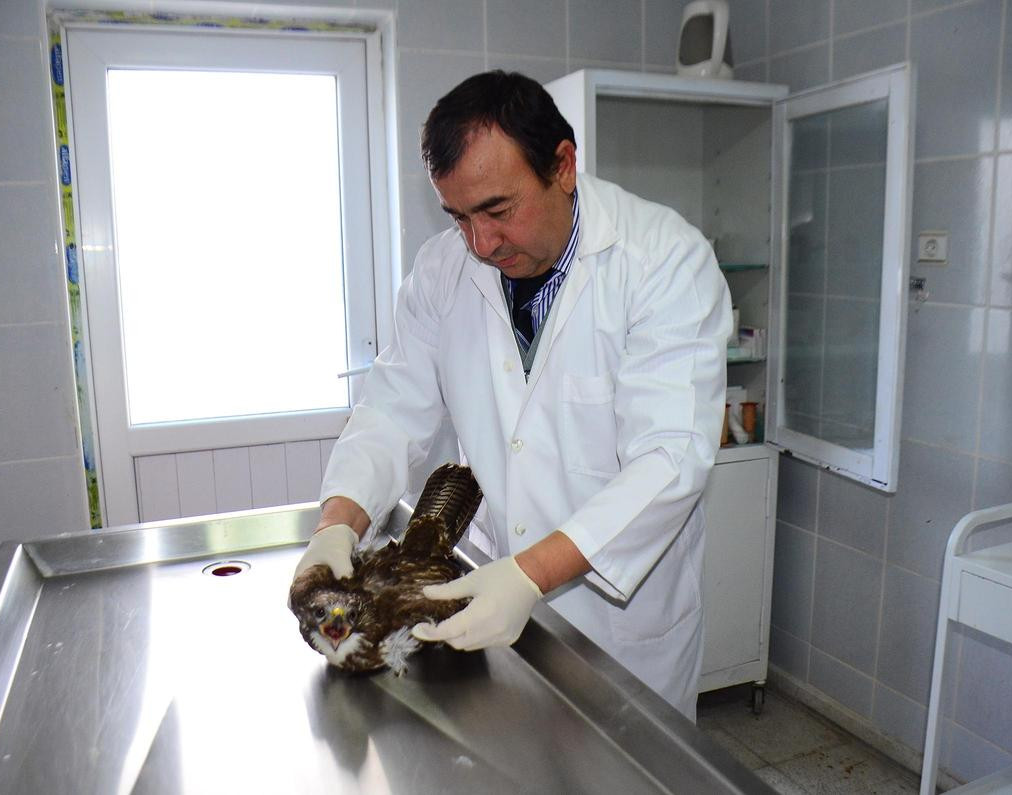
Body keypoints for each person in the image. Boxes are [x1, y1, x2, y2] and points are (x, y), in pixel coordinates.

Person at [293, 70, 730, 720]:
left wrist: (530, 574)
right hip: (493, 594)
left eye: (498, 211)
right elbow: (391, 410)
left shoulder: (663, 262)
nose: (481, 243)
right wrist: (336, 526)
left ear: (563, 166)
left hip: (623, 629)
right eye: (459, 217)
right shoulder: (442, 272)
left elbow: (670, 458)